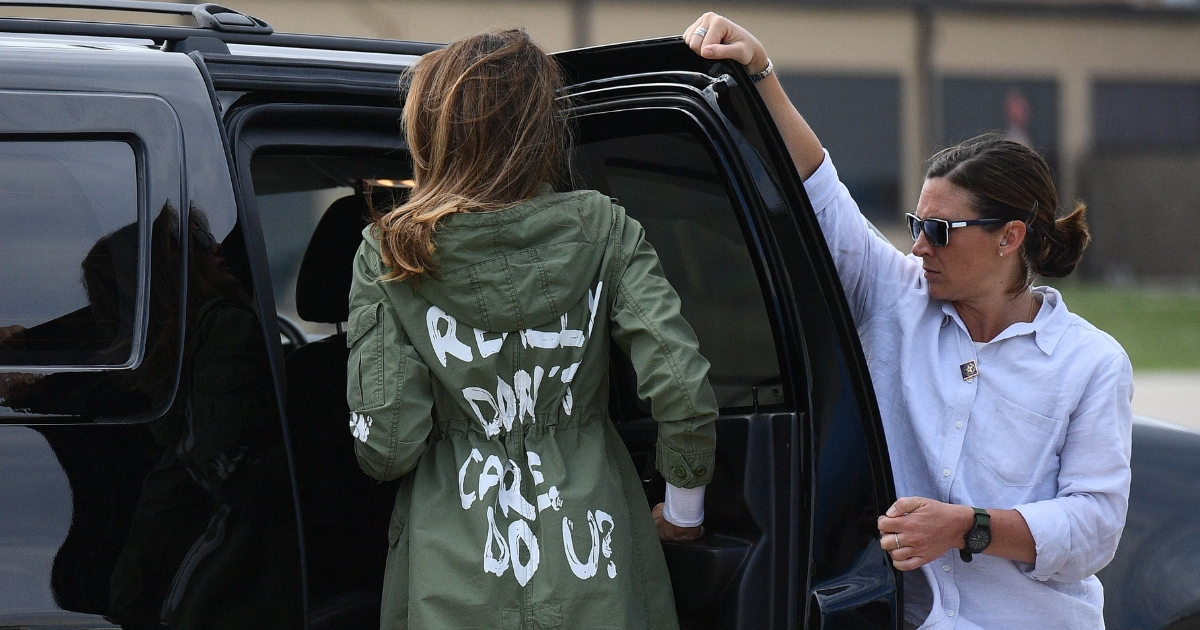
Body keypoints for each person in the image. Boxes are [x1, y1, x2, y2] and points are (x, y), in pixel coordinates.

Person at [683, 13, 1133, 629]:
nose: (919, 246)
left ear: (1010, 238)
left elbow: (1095, 528)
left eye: (940, 231)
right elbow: (820, 189)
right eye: (917, 224)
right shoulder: (896, 296)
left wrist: (965, 527)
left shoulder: (1092, 363)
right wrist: (761, 73)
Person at [346, 30, 717, 629]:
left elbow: (387, 446)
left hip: (452, 567)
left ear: (432, 132)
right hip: (594, 551)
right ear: (542, 131)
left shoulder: (389, 253)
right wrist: (683, 509)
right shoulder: (606, 229)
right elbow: (682, 388)